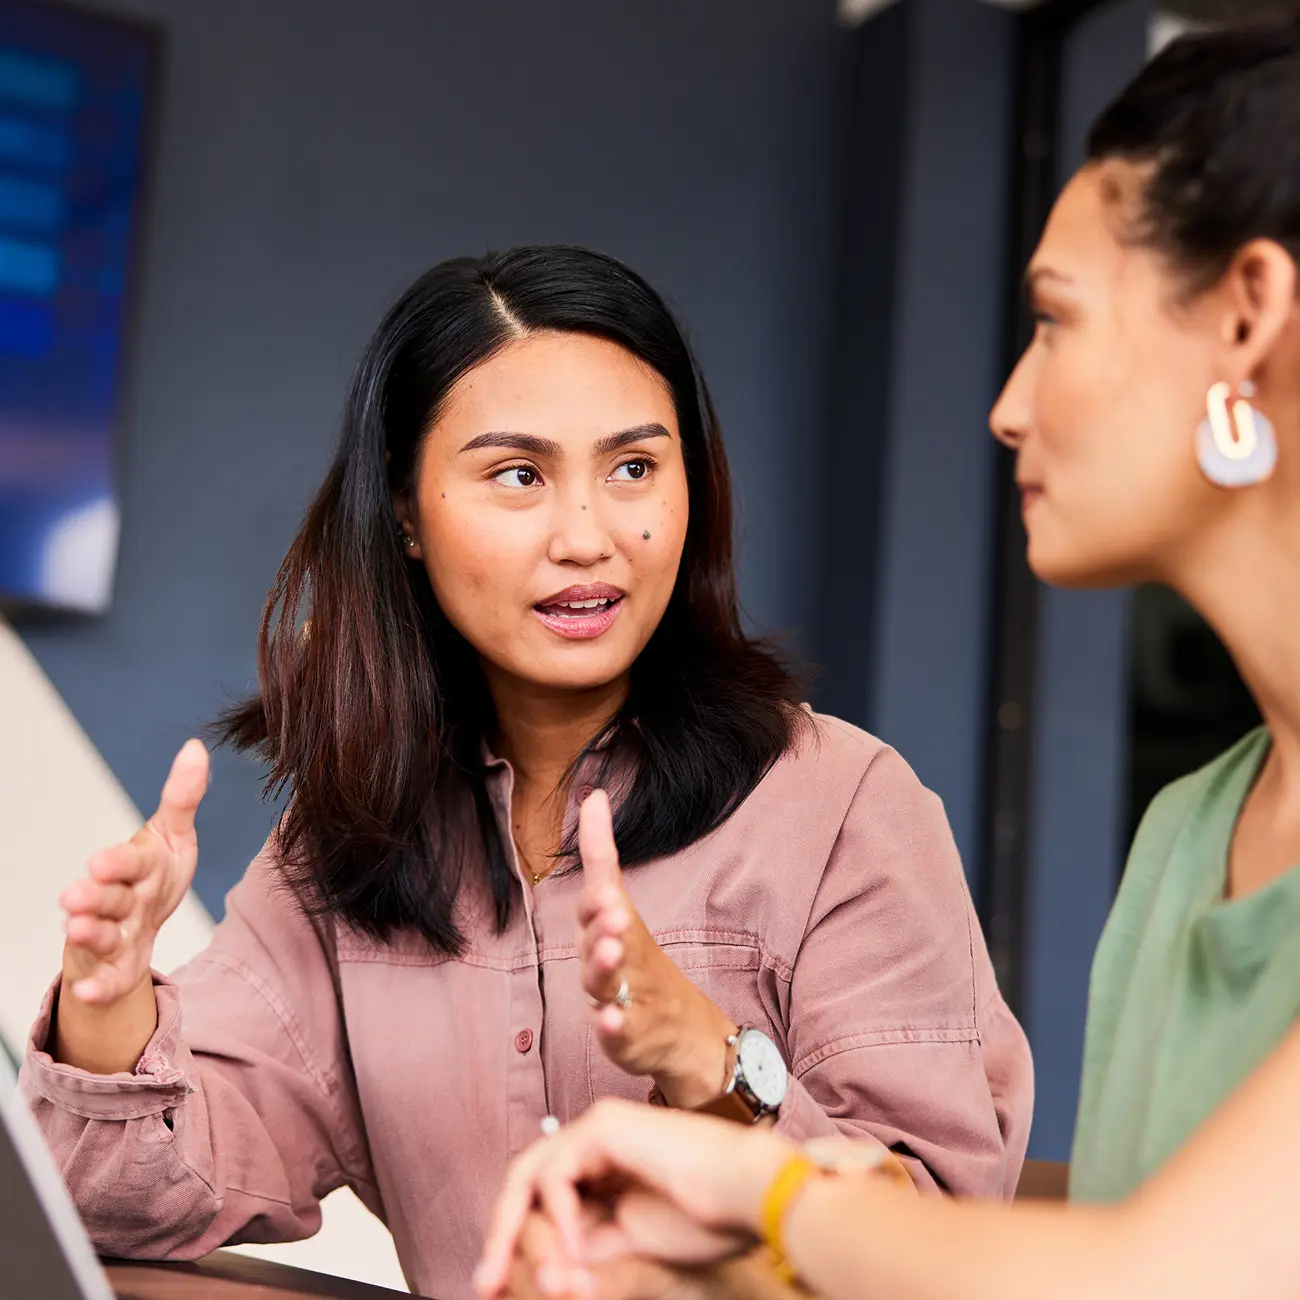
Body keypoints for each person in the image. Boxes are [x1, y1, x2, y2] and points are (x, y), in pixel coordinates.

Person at [20, 247, 1030, 1299]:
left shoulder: (842, 806)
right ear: (406, 514)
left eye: (634, 467)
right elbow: (117, 1211)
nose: (588, 536)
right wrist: (109, 1001)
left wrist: (710, 1060)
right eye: (519, 475)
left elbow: (938, 1251)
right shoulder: (351, 838)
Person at [476, 16, 1300, 1300]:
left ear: (1248, 316)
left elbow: (1165, 1269)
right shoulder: (1190, 833)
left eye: (1055, 320)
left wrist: (766, 1185)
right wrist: (712, 1267)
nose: (1008, 404)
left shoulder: (851, 798)